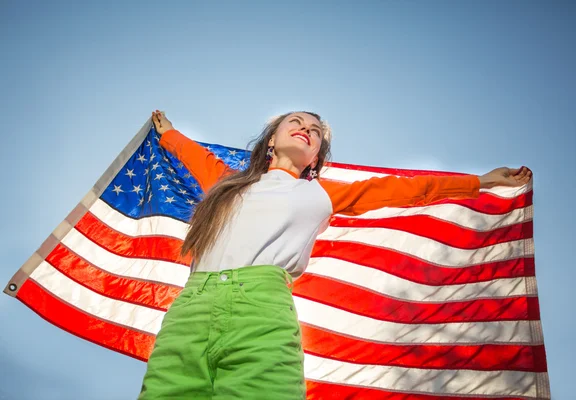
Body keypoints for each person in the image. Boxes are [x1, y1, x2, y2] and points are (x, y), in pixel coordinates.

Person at [138, 110, 532, 400]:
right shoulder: (227, 184)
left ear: (316, 158)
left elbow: (403, 189)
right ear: (271, 139)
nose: (307, 130)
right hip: (190, 308)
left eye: (315, 132)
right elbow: (194, 156)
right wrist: (169, 134)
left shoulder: (321, 194)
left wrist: (479, 182)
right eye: (297, 123)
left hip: (259, 309)